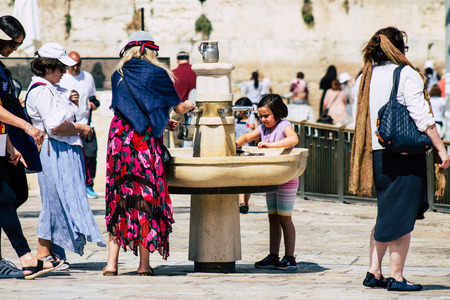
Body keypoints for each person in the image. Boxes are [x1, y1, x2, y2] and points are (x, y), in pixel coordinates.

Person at [349, 26, 450, 292]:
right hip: (404, 154)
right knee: (402, 216)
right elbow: (422, 116)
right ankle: (396, 276)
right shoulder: (406, 74)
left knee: (387, 212)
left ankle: (374, 271)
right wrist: (441, 148)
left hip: (377, 154)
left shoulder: (364, 77)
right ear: (399, 50)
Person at [103, 31, 195, 276]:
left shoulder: (118, 75)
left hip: (119, 141)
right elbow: (178, 107)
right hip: (143, 144)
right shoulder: (158, 73)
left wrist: (161, 121)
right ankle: (143, 265)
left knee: (119, 197)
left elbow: (130, 110)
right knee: (145, 197)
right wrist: (192, 105)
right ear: (150, 51)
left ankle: (111, 264)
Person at [26, 42, 105, 270]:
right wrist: (80, 128)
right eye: (61, 68)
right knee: (52, 202)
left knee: (60, 201)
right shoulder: (41, 90)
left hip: (61, 151)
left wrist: (69, 101)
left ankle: (54, 254)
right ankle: (43, 255)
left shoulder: (51, 89)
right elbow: (56, 127)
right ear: (49, 67)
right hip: (54, 151)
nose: (64, 73)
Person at [0, 15, 62, 280]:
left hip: (3, 138)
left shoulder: (1, 66)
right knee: (6, 198)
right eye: (12, 44)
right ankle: (26, 257)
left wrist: (10, 146)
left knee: (18, 194)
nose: (14, 50)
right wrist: (26, 128)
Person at [236, 94, 299, 270]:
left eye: (266, 116)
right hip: (272, 179)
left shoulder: (284, 125)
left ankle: (289, 257)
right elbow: (247, 137)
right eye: (261, 116)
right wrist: (234, 144)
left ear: (277, 113)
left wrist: (270, 145)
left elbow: (294, 139)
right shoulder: (263, 129)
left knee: (284, 219)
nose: (263, 119)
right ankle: (273, 255)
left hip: (287, 179)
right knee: (273, 218)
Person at [59, 51, 101, 199]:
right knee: (71, 156)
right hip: (70, 125)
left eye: (78, 65)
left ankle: (89, 185)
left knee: (91, 154)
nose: (75, 68)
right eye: (72, 65)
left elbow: (93, 97)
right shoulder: (62, 78)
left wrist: (94, 104)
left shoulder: (87, 77)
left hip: (87, 123)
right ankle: (72, 186)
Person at [233, 97, 258, 214]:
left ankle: (245, 203)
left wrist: (254, 128)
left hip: (249, 151)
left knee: (249, 180)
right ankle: (241, 202)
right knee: (240, 178)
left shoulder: (252, 121)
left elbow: (258, 136)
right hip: (237, 151)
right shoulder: (233, 120)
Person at [172, 49, 196, 148]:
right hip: (194, 109)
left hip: (179, 109)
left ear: (177, 60)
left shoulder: (173, 73)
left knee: (178, 143)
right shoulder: (195, 71)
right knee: (192, 142)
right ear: (189, 59)